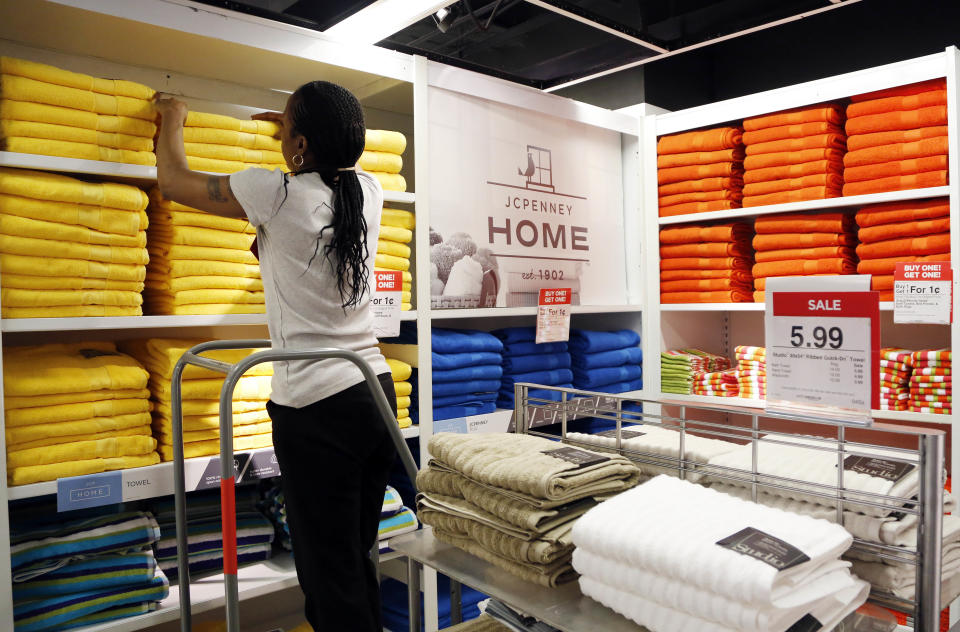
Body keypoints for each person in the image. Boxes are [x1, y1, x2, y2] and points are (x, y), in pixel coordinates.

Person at [153, 82, 397, 632]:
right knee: (356, 560)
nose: (279, 132)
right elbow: (313, 189)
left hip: (317, 408)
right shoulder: (368, 189)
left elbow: (171, 182)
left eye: (286, 127)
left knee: (326, 576)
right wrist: (296, 137)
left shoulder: (273, 194)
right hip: (373, 392)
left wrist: (175, 116)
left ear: (303, 144)